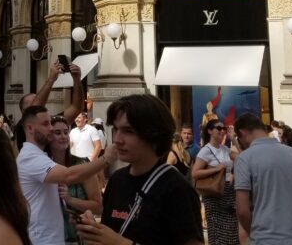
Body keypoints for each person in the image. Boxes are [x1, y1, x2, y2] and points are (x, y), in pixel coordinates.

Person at [75, 94, 202, 245]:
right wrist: (95, 231)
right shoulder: (117, 180)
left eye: (128, 131)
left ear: (153, 134)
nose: (117, 139)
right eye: (116, 129)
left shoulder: (177, 189)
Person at [18, 105, 115, 245]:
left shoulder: (41, 156)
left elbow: (96, 206)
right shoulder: (30, 157)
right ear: (29, 128)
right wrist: (106, 159)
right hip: (42, 240)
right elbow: (68, 176)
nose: (50, 129)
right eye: (46, 124)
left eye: (65, 132)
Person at [233, 112, 292, 245]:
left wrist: (255, 232)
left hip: (267, 238)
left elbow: (242, 210)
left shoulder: (245, 159)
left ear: (242, 133)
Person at [49, 116, 102, 245]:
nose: (63, 136)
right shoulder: (42, 167)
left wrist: (70, 199)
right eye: (57, 133)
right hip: (49, 237)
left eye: (66, 132)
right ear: (48, 137)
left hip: (79, 237)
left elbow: (98, 207)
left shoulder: (82, 165)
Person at [192, 118, 238, 245]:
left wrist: (233, 138)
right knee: (219, 236)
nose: (222, 131)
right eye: (219, 128)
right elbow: (195, 173)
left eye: (223, 128)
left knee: (232, 234)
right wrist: (217, 169)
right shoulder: (206, 150)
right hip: (214, 196)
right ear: (210, 131)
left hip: (228, 193)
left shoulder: (224, 149)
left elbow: (242, 157)